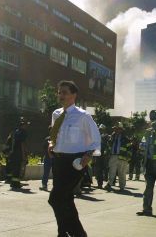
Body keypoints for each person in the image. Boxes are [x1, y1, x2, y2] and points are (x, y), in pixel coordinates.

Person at [47, 80, 101, 237]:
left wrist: (88, 155)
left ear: (73, 95)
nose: (60, 95)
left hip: (75, 162)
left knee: (56, 199)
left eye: (64, 92)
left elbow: (96, 139)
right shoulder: (56, 114)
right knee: (66, 199)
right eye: (59, 92)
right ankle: (65, 233)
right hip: (58, 160)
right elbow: (54, 135)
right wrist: (51, 144)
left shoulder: (83, 116)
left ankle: (75, 233)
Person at [105, 122, 131, 192]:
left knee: (121, 173)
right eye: (115, 129)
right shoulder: (112, 137)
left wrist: (128, 158)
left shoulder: (126, 138)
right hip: (113, 156)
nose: (115, 130)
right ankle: (109, 184)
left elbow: (130, 149)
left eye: (117, 129)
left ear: (121, 129)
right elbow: (109, 146)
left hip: (123, 158)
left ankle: (122, 187)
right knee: (111, 171)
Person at [9, 117, 29, 189]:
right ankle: (16, 184)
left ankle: (13, 183)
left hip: (14, 152)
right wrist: (24, 154)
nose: (27, 126)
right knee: (18, 168)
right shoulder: (23, 132)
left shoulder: (17, 131)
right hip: (19, 153)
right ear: (22, 125)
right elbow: (22, 144)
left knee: (15, 168)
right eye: (26, 125)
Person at [93, 124, 109, 189]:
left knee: (102, 169)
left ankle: (102, 183)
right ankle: (99, 183)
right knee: (98, 169)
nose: (100, 130)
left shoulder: (106, 136)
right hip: (97, 154)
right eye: (100, 129)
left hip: (103, 155)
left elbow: (107, 145)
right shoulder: (97, 136)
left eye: (101, 129)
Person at [40, 126, 53, 191]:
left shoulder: (57, 138)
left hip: (54, 158)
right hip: (48, 158)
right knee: (46, 172)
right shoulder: (47, 139)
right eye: (51, 130)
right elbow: (44, 148)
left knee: (55, 172)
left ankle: (54, 186)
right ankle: (44, 185)